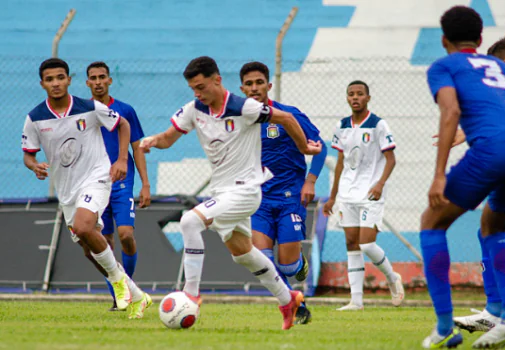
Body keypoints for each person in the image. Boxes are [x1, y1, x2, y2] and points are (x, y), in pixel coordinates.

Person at [139, 56, 322, 330]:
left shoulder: (243, 107)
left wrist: (305, 148)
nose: (198, 93)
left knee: (189, 221)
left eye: (201, 87)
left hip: (246, 191)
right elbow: (168, 138)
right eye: (193, 89)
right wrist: (154, 140)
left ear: (217, 80)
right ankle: (288, 300)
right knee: (244, 253)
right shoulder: (194, 109)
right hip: (222, 192)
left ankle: (190, 294)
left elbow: (285, 117)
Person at [421, 7, 505, 349]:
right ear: (480, 40)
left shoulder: (444, 66)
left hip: (494, 150)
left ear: (444, 40)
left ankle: (445, 327)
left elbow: (451, 111)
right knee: (493, 226)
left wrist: (438, 175)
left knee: (432, 222)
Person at [21, 58, 151, 319]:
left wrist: (122, 160)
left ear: (69, 80)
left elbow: (123, 124)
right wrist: (34, 165)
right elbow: (28, 154)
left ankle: (117, 280)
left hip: (97, 177)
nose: (56, 83)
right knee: (87, 247)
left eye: (60, 77)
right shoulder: (35, 118)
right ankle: (137, 295)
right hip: (67, 188)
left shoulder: (90, 107)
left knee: (84, 226)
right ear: (42, 84)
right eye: (50, 79)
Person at [239, 61, 327, 325]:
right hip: (259, 200)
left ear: (269, 85)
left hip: (290, 197)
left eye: (259, 82)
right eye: (249, 83)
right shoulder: (239, 120)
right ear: (242, 88)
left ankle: (298, 266)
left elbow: (320, 147)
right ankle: (294, 304)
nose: (254, 88)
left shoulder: (288, 115)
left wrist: (310, 181)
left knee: (288, 266)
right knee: (261, 258)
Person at [322, 80, 404, 310]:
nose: (355, 97)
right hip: (347, 193)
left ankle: (391, 277)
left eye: (360, 94)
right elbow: (340, 162)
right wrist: (332, 196)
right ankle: (356, 301)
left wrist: (380, 184)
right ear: (347, 98)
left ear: (368, 98)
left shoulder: (379, 125)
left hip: (371, 192)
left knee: (367, 244)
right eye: (351, 94)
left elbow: (391, 159)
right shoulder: (342, 126)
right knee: (351, 244)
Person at [84, 61, 151, 311]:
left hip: (122, 181)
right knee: (104, 241)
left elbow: (138, 147)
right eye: (94, 78)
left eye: (103, 77)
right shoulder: (82, 112)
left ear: (110, 80)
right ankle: (118, 293)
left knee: (126, 235)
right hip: (93, 183)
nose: (99, 81)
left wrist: (145, 184)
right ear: (87, 83)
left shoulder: (125, 110)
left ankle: (128, 283)